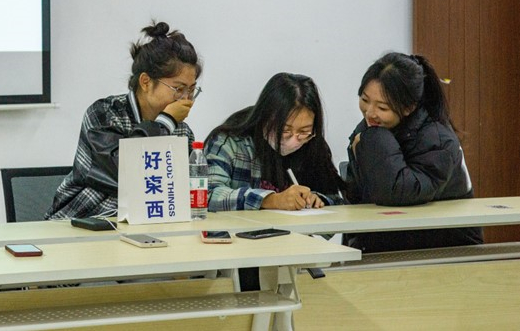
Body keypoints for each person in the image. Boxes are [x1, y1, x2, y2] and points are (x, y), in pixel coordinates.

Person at [45, 21, 201, 219]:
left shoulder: (181, 131)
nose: (186, 99)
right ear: (146, 82)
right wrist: (166, 122)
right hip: (82, 221)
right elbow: (126, 175)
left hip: (146, 225)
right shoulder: (104, 114)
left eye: (192, 90)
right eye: (178, 89)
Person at [343, 52, 483, 253]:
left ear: (408, 108)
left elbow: (401, 193)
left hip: (445, 248)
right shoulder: (372, 127)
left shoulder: (438, 141)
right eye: (365, 100)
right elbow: (357, 197)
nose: (370, 112)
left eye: (382, 107)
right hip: (388, 243)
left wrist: (373, 142)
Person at [206, 73, 343, 212]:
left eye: (304, 131)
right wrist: (271, 200)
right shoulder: (230, 143)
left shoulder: (313, 145)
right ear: (264, 117)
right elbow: (208, 195)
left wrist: (318, 200)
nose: (294, 141)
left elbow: (337, 199)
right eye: (285, 130)